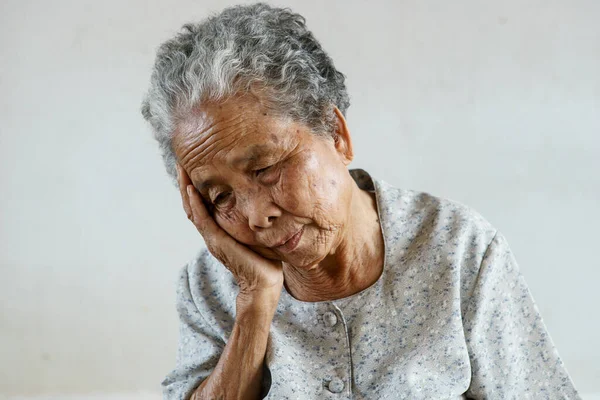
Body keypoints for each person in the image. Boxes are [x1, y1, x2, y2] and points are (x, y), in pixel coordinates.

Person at [140, 3, 581, 399]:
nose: (257, 215)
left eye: (265, 168)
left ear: (337, 134)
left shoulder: (459, 251)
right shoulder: (209, 286)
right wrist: (255, 301)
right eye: (221, 196)